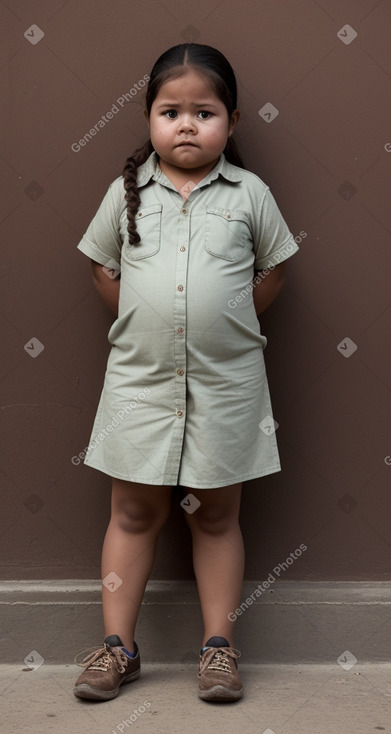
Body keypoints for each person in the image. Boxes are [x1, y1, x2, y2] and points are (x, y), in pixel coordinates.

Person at [73, 42, 299, 704]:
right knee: (133, 511)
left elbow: (275, 267)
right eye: (170, 111)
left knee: (217, 516)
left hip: (226, 386)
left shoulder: (249, 194)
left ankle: (218, 649)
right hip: (139, 385)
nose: (186, 125)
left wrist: (225, 323)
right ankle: (118, 648)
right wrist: (148, 326)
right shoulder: (125, 193)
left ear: (230, 121)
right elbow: (99, 265)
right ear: (148, 119)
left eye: (204, 112)